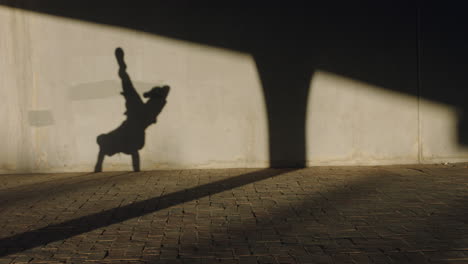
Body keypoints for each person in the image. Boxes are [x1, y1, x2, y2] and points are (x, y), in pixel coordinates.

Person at [94, 47, 170, 172]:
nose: (107, 153)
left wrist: (136, 171)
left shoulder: (119, 145)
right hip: (139, 115)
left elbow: (103, 154)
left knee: (160, 92)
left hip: (140, 116)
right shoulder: (117, 142)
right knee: (131, 85)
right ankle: (126, 74)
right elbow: (102, 154)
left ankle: (126, 73)